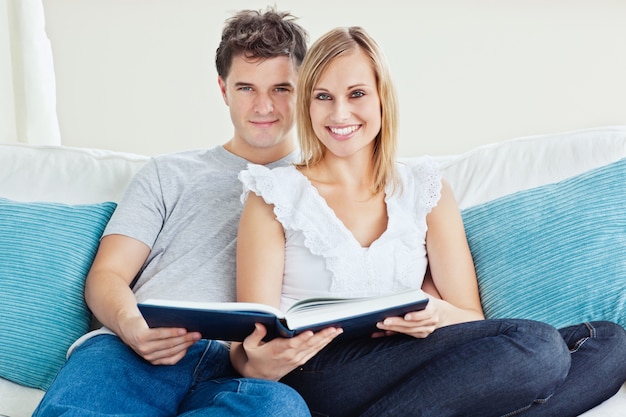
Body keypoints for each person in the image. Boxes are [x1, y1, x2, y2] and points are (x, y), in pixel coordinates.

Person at [231, 26, 626, 417]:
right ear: (308, 105)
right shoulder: (274, 194)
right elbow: (246, 348)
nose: (339, 113)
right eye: (323, 97)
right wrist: (262, 359)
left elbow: (470, 318)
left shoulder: (425, 187)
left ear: (382, 99)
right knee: (538, 345)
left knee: (608, 343)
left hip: (417, 359)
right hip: (320, 368)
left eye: (356, 94)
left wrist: (436, 314)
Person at [32, 7, 328, 417]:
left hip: (242, 371)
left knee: (281, 411)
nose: (264, 106)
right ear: (223, 90)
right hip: (135, 352)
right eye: (246, 88)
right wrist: (132, 327)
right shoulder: (169, 172)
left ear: (305, 89)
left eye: (281, 88)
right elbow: (108, 274)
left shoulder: (328, 183)